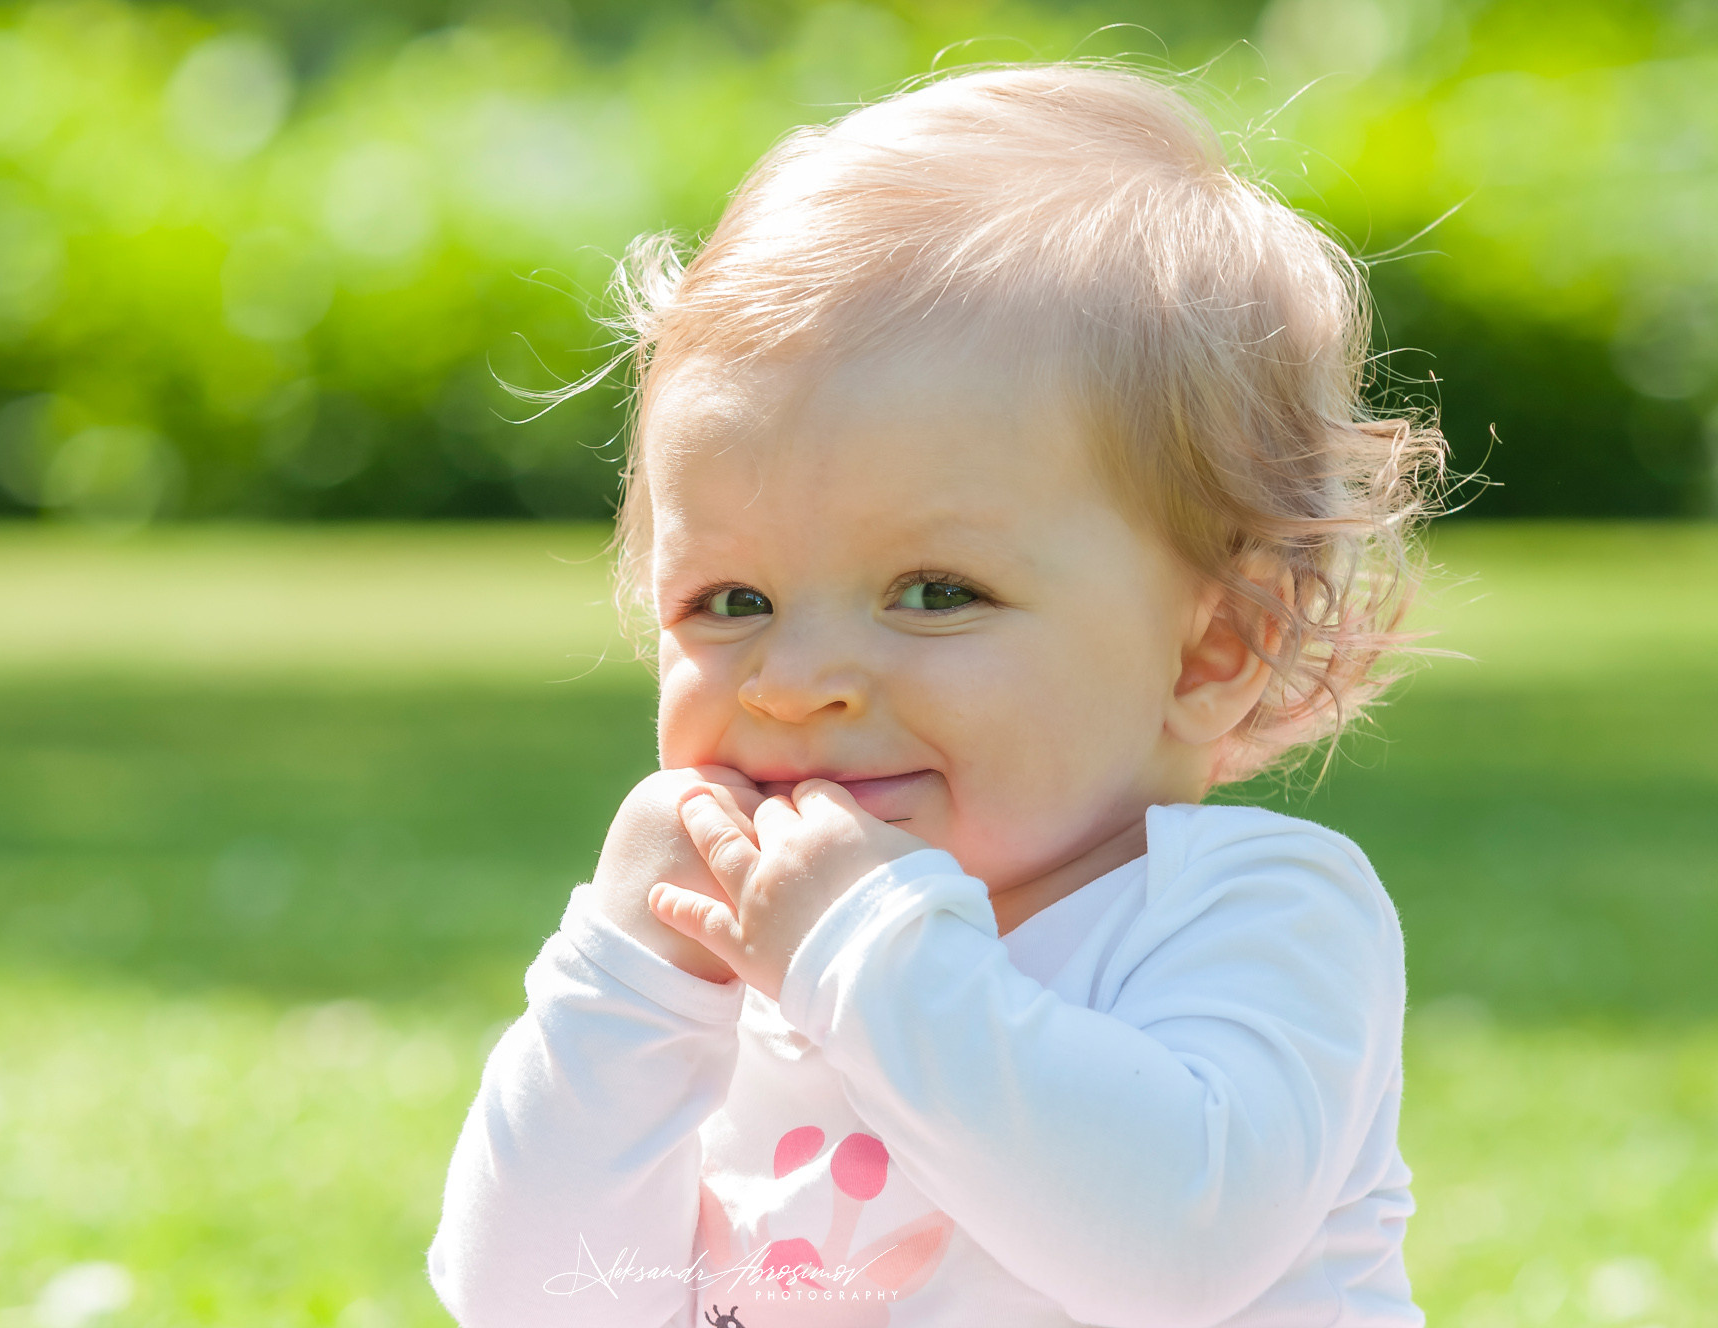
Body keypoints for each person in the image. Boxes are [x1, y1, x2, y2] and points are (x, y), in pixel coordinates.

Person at [427, 62, 1444, 1327]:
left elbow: (1175, 1253)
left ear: (1213, 647)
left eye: (931, 591)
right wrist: (625, 986)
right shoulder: (737, 971)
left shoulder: (1251, 914)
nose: (792, 683)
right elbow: (531, 1303)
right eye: (730, 600)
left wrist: (868, 952)